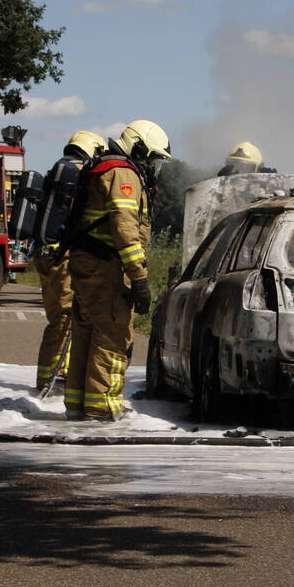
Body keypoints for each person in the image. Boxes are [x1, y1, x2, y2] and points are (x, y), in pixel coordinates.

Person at [64, 120, 171, 422]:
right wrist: (139, 278)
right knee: (112, 335)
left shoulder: (104, 166)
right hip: (106, 266)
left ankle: (77, 404)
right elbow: (125, 229)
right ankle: (103, 407)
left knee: (87, 332)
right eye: (151, 157)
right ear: (138, 146)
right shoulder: (123, 172)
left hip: (87, 263)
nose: (152, 165)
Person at [34, 130, 106, 390]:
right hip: (61, 255)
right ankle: (49, 380)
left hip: (45, 252)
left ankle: (52, 374)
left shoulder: (57, 170)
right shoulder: (77, 173)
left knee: (59, 316)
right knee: (64, 317)